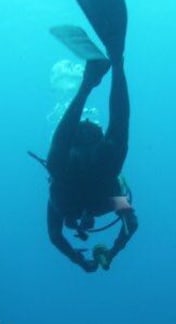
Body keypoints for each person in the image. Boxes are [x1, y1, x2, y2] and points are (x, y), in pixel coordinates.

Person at [45, 0, 137, 272]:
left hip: (75, 152)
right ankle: (115, 63)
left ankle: (89, 82)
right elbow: (132, 223)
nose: (85, 222)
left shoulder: (61, 207)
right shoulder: (108, 203)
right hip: (95, 156)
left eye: (79, 224)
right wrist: (112, 252)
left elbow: (55, 236)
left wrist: (81, 260)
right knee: (115, 146)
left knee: (56, 167)